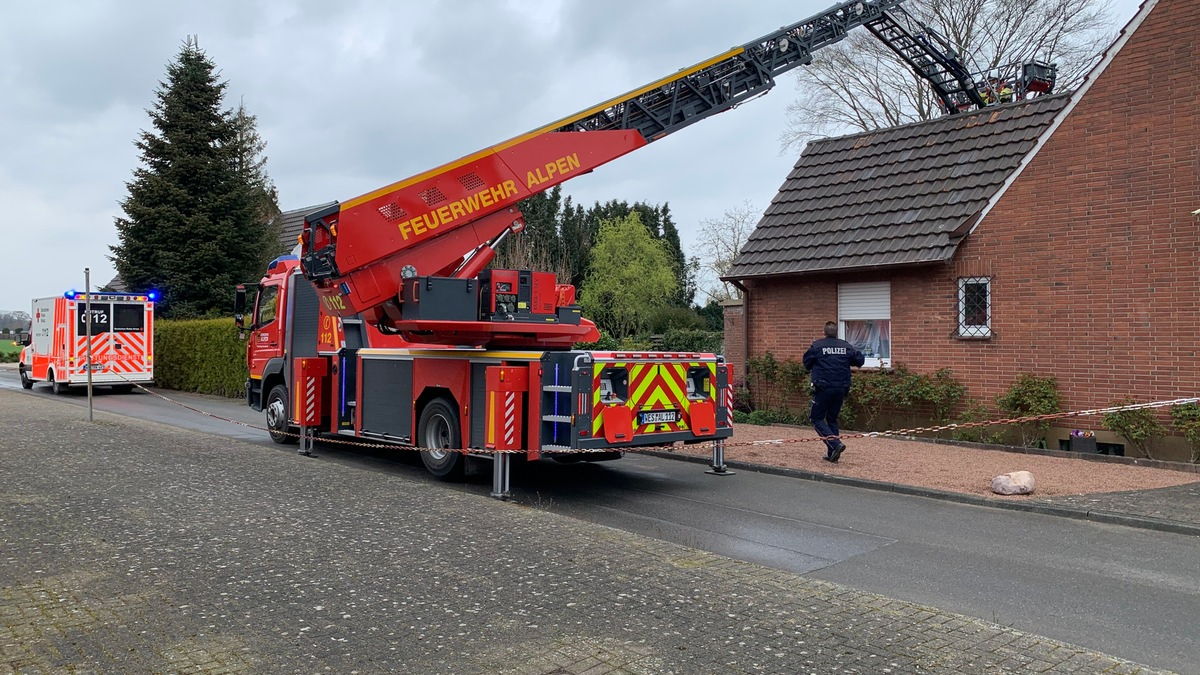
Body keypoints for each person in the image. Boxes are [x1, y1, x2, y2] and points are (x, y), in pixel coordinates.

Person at [803, 321, 865, 463]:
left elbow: (806, 363)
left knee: (816, 418)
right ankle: (833, 454)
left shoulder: (817, 346)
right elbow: (860, 360)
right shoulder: (845, 346)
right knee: (832, 418)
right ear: (836, 332)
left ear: (824, 332)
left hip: (823, 388)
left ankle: (835, 444)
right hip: (841, 388)